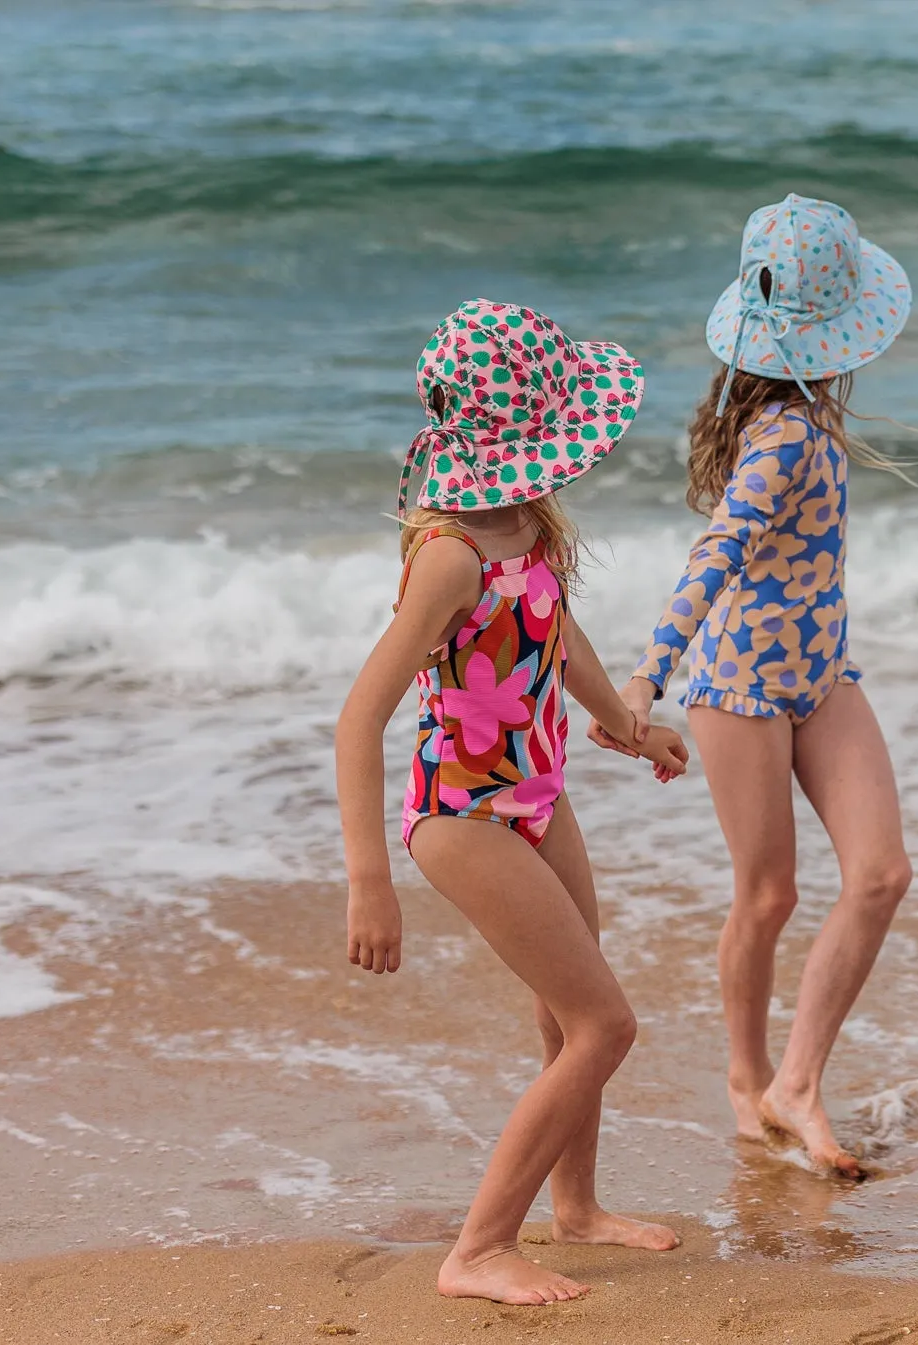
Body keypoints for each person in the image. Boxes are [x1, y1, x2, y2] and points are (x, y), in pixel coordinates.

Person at [335, 300, 690, 1305]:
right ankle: (477, 1247)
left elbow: (554, 635)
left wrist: (627, 725)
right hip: (462, 817)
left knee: (564, 1008)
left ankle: (573, 1208)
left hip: (540, 796)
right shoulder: (447, 554)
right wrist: (371, 881)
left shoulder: (528, 527)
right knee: (605, 1025)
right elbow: (358, 719)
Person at [595, 195, 915, 1178]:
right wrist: (648, 673)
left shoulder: (800, 415)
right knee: (767, 895)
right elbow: (717, 551)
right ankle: (746, 1085)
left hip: (819, 677)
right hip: (735, 687)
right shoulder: (781, 436)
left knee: (878, 875)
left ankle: (795, 1083)